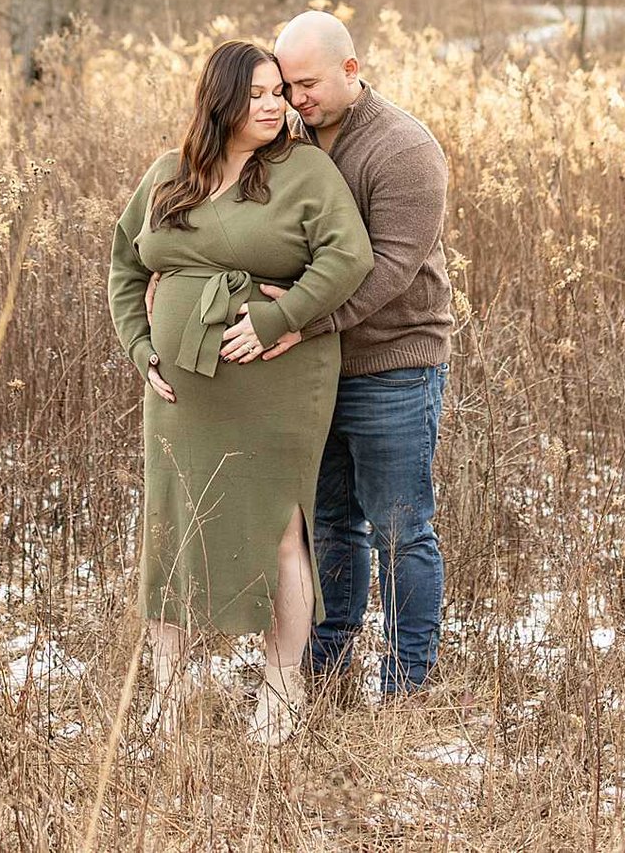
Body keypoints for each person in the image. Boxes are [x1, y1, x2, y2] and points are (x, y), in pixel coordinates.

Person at [107, 38, 374, 746]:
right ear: (220, 99)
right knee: (172, 523)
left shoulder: (303, 171)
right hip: (180, 389)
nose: (274, 104)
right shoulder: (169, 176)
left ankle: (281, 692)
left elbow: (350, 257)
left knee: (280, 525)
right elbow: (124, 268)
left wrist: (278, 317)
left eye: (279, 92)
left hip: (277, 379)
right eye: (257, 92)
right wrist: (140, 347)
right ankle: (167, 694)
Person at [251, 10, 455, 700]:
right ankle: (327, 671)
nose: (295, 97)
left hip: (394, 359)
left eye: (307, 83)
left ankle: (407, 687)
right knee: (331, 524)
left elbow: (390, 268)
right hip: (315, 367)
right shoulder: (285, 142)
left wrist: (298, 321)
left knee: (401, 528)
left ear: (351, 68)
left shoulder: (403, 149)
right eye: (286, 84)